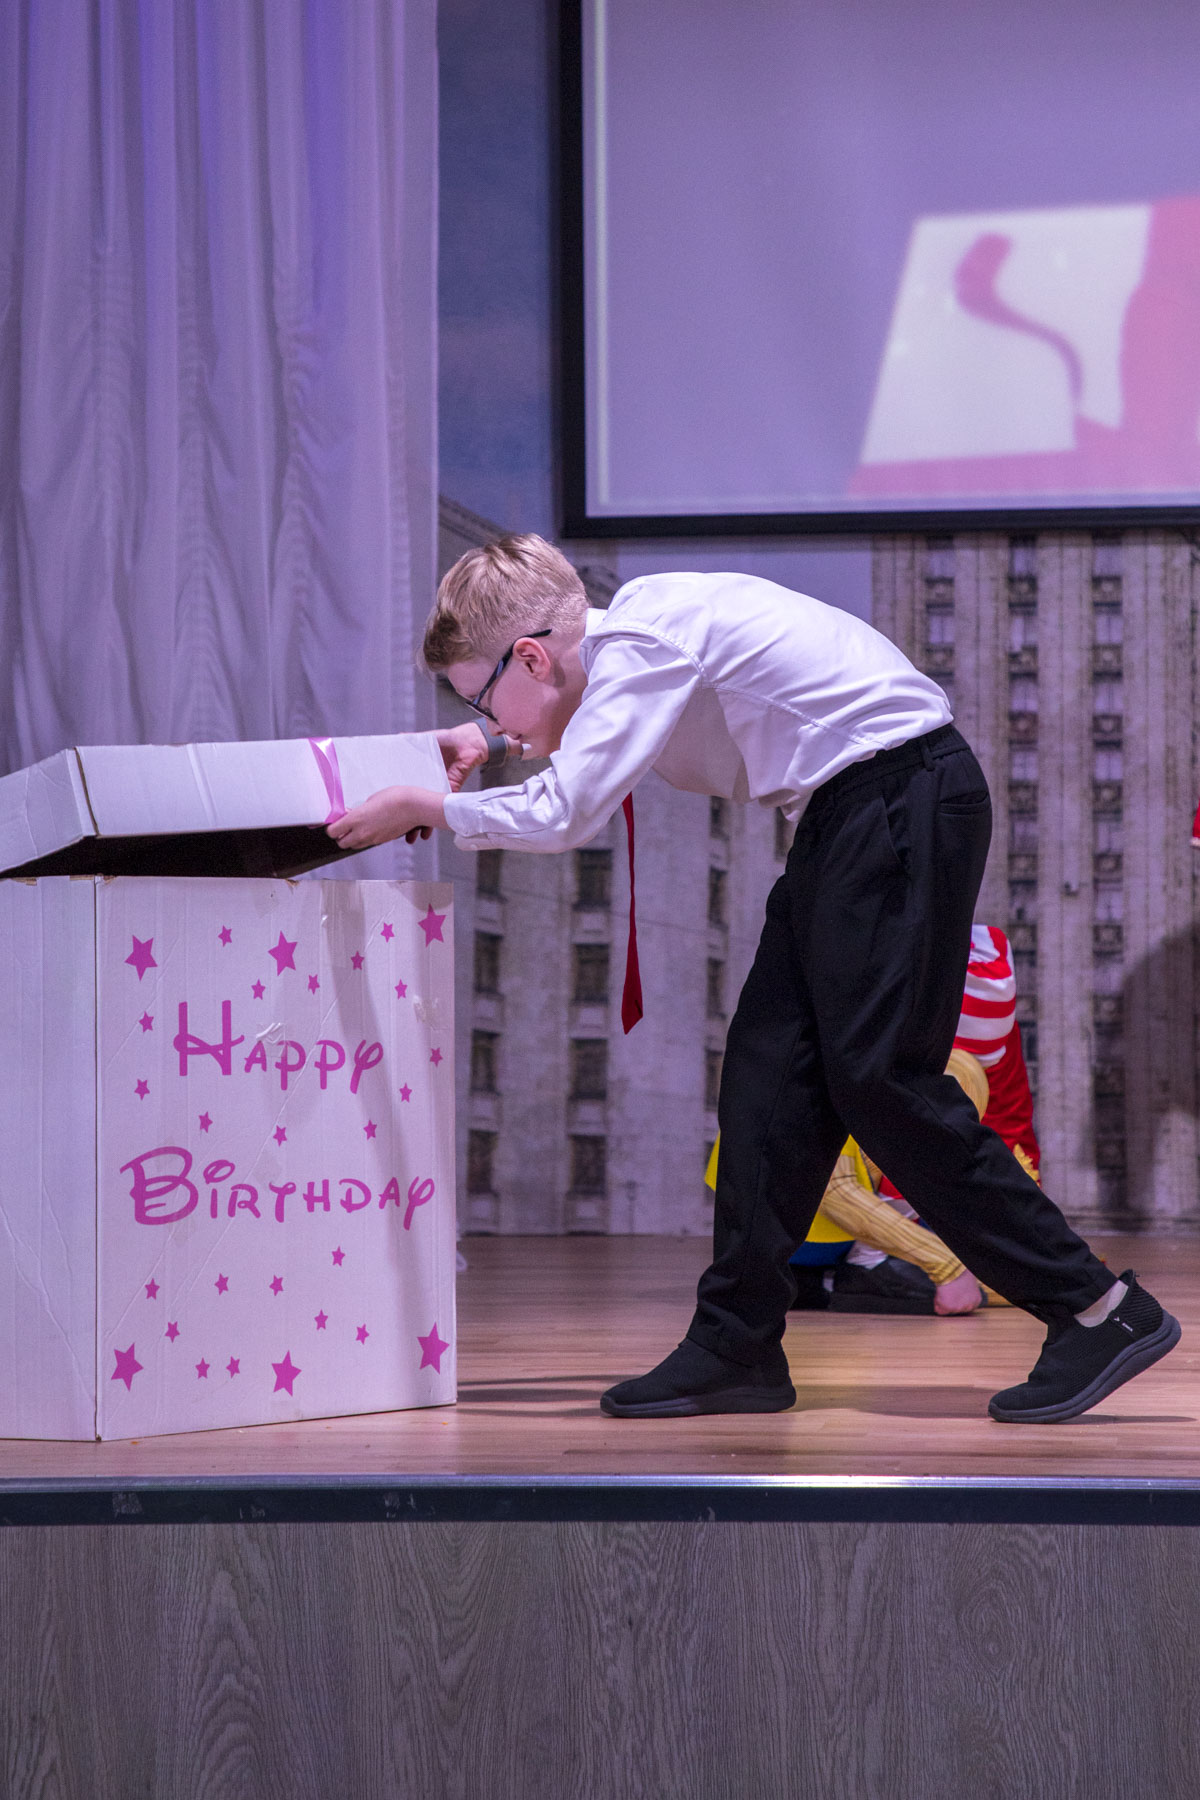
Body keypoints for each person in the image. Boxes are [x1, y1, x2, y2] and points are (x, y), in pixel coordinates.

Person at [328, 534, 1181, 1423]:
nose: (487, 720)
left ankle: (1098, 1309)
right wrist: (483, 736)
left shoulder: (643, 644)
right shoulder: (636, 644)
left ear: (532, 657)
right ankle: (735, 1346)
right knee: (768, 1083)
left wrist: (427, 805)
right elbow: (575, 723)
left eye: (478, 695)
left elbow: (565, 810)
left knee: (883, 1083)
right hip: (852, 815)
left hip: (895, 799)